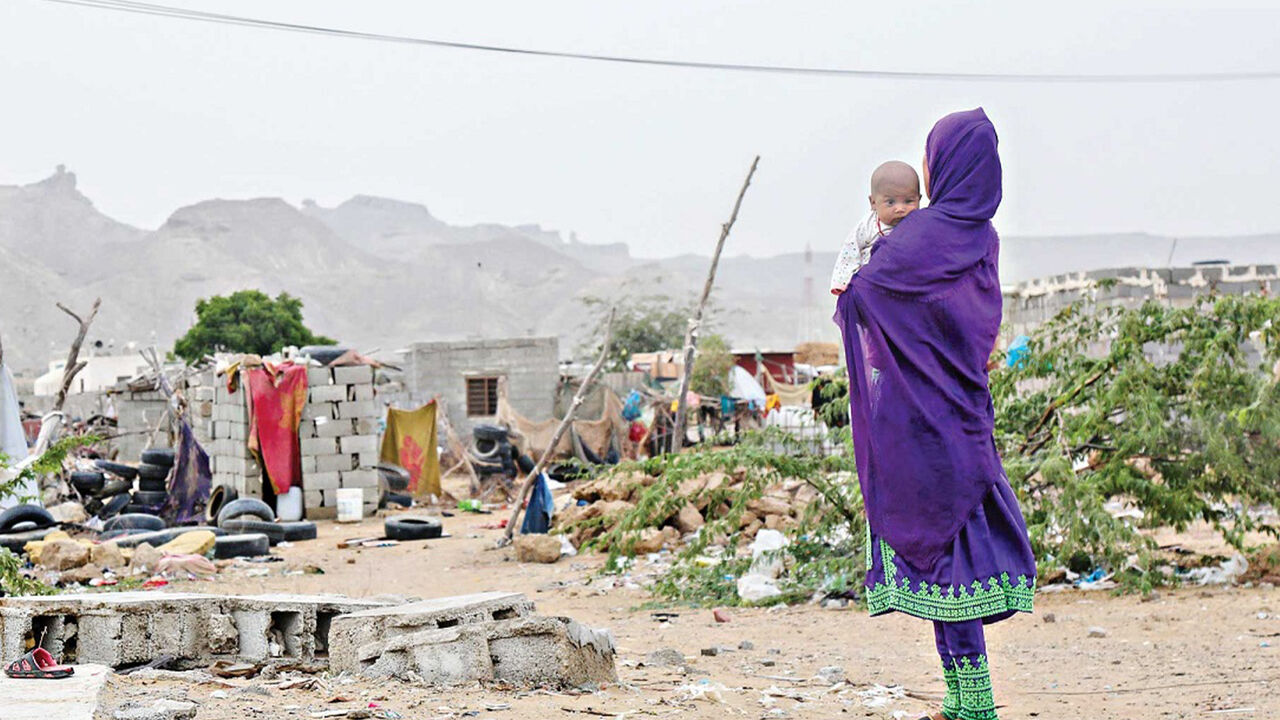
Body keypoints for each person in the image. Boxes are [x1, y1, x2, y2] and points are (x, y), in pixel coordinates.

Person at [833, 108, 1035, 720]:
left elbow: (860, 297)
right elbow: (973, 323)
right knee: (961, 553)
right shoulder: (984, 236)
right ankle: (960, 696)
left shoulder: (916, 238)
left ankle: (974, 704)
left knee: (947, 563)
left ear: (940, 165)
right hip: (965, 413)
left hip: (916, 424)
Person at [829, 161, 922, 295]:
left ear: (919, 199)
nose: (900, 209)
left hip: (905, 283)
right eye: (890, 202)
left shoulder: (920, 223)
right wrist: (843, 282)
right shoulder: (868, 225)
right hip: (872, 284)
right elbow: (850, 251)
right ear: (873, 203)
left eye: (908, 201)